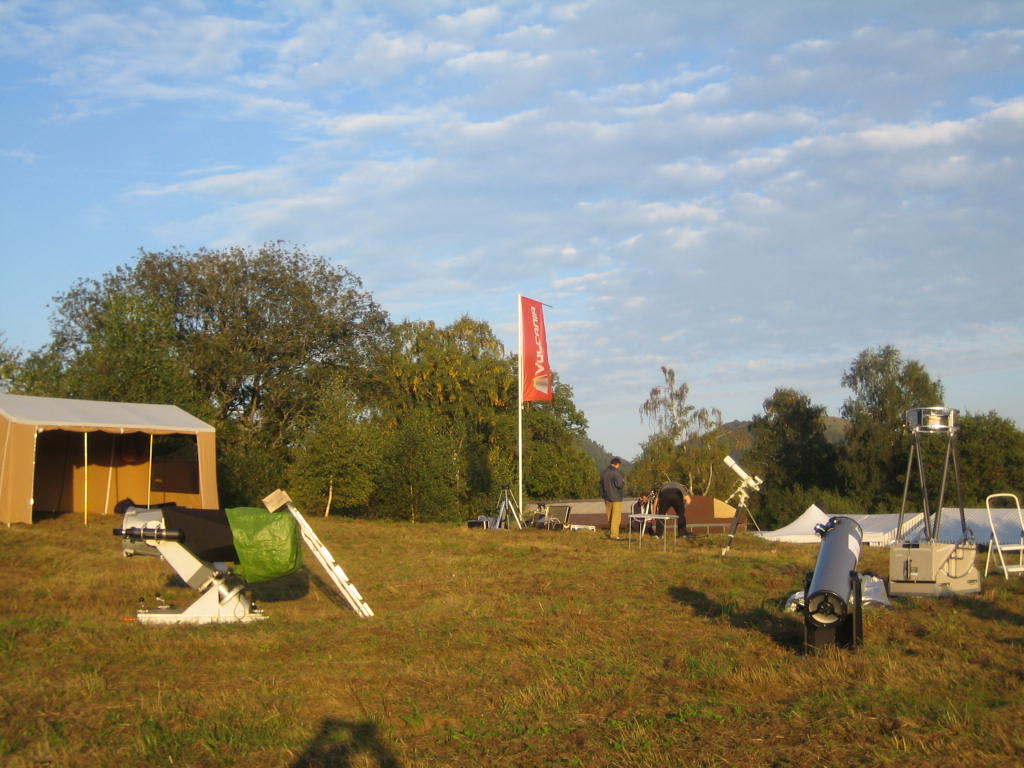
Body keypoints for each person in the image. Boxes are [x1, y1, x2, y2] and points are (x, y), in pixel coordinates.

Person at [600, 457, 626, 540]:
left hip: (607, 497)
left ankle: (612, 532)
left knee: (610, 516)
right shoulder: (616, 472)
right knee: (616, 516)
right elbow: (619, 484)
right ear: (617, 464)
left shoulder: (604, 472)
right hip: (616, 497)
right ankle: (614, 535)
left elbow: (601, 485)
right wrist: (623, 482)